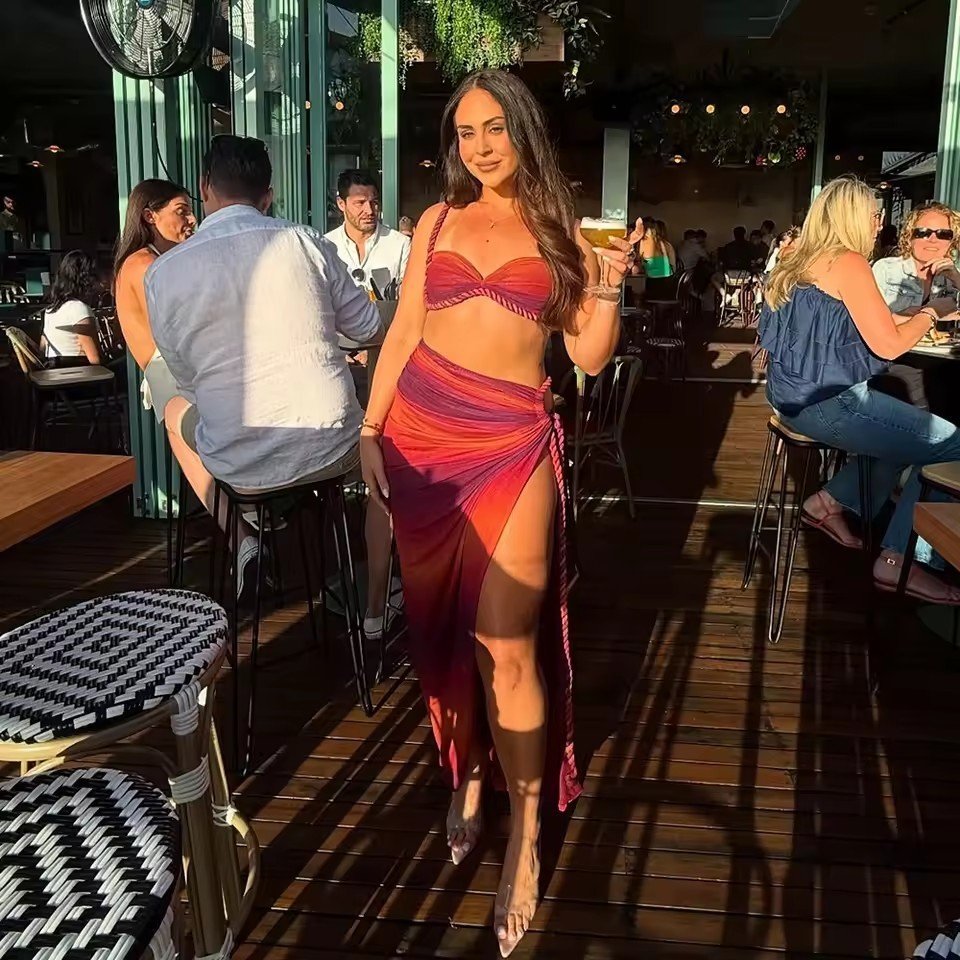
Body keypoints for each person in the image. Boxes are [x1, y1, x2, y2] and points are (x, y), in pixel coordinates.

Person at [360, 69, 635, 956]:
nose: (479, 146)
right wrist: (370, 427)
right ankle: (469, 772)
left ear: (523, 131)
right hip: (421, 439)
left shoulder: (560, 230)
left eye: (494, 128)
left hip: (512, 441)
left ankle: (524, 833)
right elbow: (405, 331)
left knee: (506, 641)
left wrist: (610, 285)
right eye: (465, 131)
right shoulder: (435, 223)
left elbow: (588, 356)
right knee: (444, 632)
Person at [147, 136, 394, 624]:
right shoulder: (307, 242)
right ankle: (370, 597)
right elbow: (367, 328)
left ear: (204, 188)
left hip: (236, 463)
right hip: (332, 450)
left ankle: (245, 536)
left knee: (175, 408)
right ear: (268, 195)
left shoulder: (164, 271)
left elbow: (186, 377)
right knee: (369, 427)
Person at [758, 176, 960, 605]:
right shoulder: (848, 262)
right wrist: (931, 312)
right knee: (953, 446)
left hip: (789, 398)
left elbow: (848, 324)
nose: (878, 225)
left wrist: (918, 312)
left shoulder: (795, 259)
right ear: (854, 217)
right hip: (829, 403)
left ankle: (828, 502)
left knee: (904, 438)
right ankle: (899, 559)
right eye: (874, 216)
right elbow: (888, 345)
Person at [114, 180, 197, 422]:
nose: (192, 220)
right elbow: (175, 328)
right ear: (150, 216)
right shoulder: (144, 264)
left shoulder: (151, 261)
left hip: (174, 376)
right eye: (181, 211)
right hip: (174, 376)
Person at [870, 202, 960, 412]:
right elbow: (871, 322)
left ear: (952, 241)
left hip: (945, 365)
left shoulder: (953, 276)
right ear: (909, 237)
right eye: (923, 232)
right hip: (896, 363)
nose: (933, 239)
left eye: (943, 234)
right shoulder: (886, 269)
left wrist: (957, 279)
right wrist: (926, 315)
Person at [324, 169, 411, 297]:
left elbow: (410, 296)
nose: (369, 210)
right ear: (341, 204)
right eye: (360, 203)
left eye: (374, 202)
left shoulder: (400, 244)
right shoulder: (326, 246)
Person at [42, 251, 102, 365]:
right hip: (80, 370)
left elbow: (43, 347)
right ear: (87, 279)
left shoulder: (50, 310)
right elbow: (95, 359)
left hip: (54, 370)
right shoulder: (80, 309)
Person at [639, 218, 676, 297]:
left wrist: (645, 262)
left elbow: (644, 262)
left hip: (652, 282)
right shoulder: (667, 245)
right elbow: (673, 265)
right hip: (668, 283)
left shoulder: (645, 244)